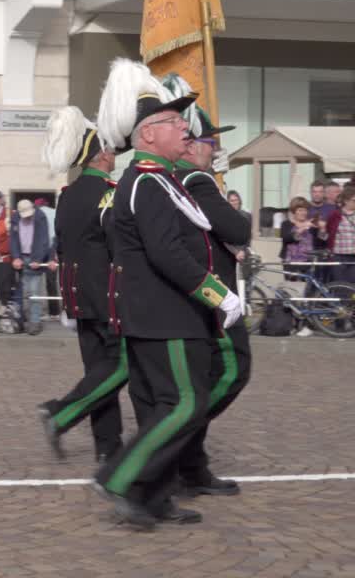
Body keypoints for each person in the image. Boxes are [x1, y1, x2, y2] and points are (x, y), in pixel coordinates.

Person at [91, 58, 243, 528]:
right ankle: (120, 476)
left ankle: (152, 498)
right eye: (175, 122)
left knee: (168, 406)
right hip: (166, 315)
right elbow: (168, 252)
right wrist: (220, 294)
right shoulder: (148, 182)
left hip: (164, 314)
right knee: (185, 404)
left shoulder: (158, 179)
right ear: (148, 134)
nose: (185, 129)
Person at [174, 102, 253, 498]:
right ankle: (176, 448)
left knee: (201, 380)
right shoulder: (198, 181)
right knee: (230, 371)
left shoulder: (174, 178)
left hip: (193, 297)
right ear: (190, 146)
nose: (213, 148)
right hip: (212, 299)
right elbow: (236, 226)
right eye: (209, 140)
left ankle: (192, 463)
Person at [37, 106, 125, 463]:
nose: (116, 155)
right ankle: (62, 412)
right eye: (113, 150)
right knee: (118, 366)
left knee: (98, 370)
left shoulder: (68, 195)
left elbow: (62, 244)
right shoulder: (110, 193)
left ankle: (108, 446)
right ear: (102, 153)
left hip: (77, 294)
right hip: (108, 295)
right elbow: (118, 246)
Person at [10, 199, 54, 334]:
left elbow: (43, 239)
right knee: (24, 293)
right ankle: (25, 321)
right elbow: (13, 238)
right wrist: (16, 256)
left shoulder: (40, 217)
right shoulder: (15, 218)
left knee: (34, 292)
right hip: (22, 257)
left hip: (35, 258)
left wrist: (38, 259)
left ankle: (34, 322)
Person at [323, 184, 355, 284]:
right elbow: (327, 234)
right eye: (354, 200)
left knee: (353, 286)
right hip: (339, 255)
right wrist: (322, 230)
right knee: (340, 284)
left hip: (354, 256)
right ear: (346, 201)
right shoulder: (335, 215)